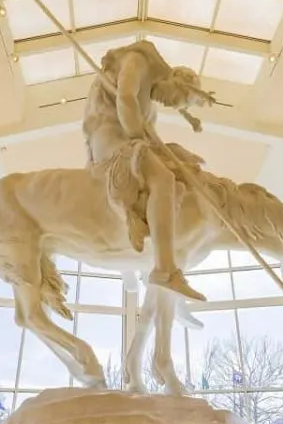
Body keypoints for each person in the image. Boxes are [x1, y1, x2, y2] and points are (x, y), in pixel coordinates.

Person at [82, 40, 215, 302]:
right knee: (163, 178)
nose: (170, 103)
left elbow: (154, 142)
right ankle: (165, 269)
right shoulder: (138, 60)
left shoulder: (150, 107)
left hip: (127, 139)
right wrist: (140, 143)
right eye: (175, 98)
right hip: (108, 136)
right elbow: (125, 99)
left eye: (177, 105)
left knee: (178, 166)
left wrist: (175, 154)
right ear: (175, 79)